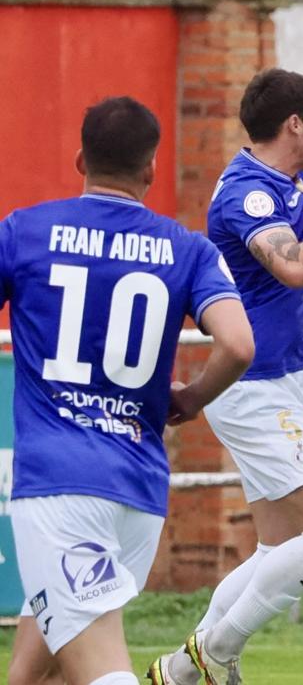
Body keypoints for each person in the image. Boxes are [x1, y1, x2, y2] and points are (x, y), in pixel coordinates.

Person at [3, 97, 254, 685]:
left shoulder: (24, 231)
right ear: (151, 170)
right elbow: (239, 345)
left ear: (79, 159)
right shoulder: (187, 249)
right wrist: (190, 399)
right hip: (139, 488)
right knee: (45, 657)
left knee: (98, 671)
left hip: (60, 485)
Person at [150, 69, 303, 684]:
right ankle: (209, 654)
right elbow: (291, 266)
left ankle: (182, 673)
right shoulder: (248, 193)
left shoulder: (288, 181)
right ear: (295, 124)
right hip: (253, 388)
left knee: (277, 550)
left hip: (291, 379)